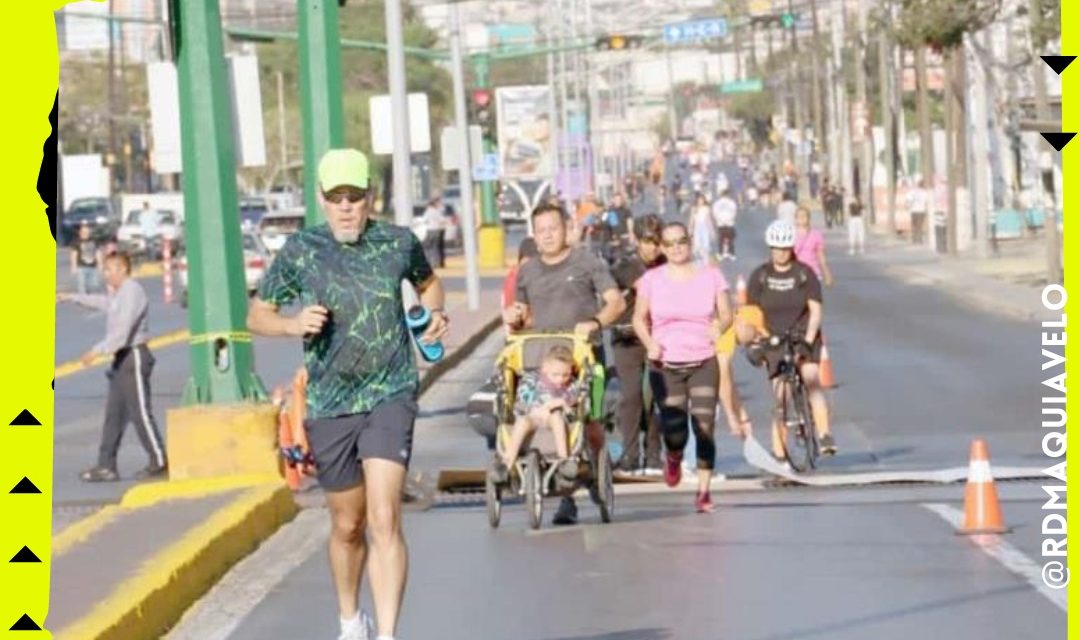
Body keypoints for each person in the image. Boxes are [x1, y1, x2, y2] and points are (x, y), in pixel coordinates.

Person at [247, 148, 447, 640]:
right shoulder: (301, 249)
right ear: (321, 198)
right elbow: (258, 314)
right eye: (335, 198)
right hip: (330, 402)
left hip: (390, 392)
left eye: (354, 197)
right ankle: (350, 619)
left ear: (369, 197)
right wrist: (293, 323)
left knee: (384, 517)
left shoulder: (397, 242)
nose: (345, 207)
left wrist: (433, 313)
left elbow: (431, 285)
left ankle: (387, 634)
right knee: (347, 525)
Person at [503, 202, 626, 525]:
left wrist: (595, 323)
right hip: (543, 360)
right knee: (534, 418)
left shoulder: (586, 262)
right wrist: (513, 316)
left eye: (552, 229)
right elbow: (521, 312)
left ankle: (600, 477)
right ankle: (563, 494)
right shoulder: (527, 271)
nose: (546, 235)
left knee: (590, 424)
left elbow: (617, 302)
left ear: (567, 228)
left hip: (584, 356)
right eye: (540, 230)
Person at [633, 222, 733, 513]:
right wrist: (649, 342)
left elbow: (727, 312)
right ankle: (673, 456)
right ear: (662, 248)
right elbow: (639, 318)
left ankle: (703, 492)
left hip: (703, 360)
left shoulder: (711, 275)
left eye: (681, 241)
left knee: (705, 427)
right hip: (666, 363)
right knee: (675, 431)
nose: (676, 247)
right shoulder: (652, 279)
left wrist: (720, 325)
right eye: (670, 243)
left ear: (690, 243)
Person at [57, 252, 168, 483]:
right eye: (104, 269)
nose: (105, 274)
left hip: (134, 356)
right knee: (114, 415)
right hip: (122, 359)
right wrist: (72, 297)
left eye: (109, 270)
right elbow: (105, 303)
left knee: (140, 413)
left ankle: (159, 460)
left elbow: (122, 331)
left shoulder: (132, 291)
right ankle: (106, 466)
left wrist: (97, 350)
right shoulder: (120, 294)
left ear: (122, 269)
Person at [737, 221, 836, 460]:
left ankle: (824, 435)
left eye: (784, 248)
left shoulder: (804, 274)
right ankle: (779, 453)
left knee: (811, 378)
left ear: (791, 248)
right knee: (781, 395)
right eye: (775, 248)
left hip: (803, 332)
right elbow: (750, 314)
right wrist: (754, 342)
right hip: (774, 337)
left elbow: (815, 311)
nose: (780, 253)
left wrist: (809, 339)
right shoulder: (760, 276)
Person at [609, 215, 666, 475]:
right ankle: (630, 455)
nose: (652, 248)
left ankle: (654, 455)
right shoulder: (626, 265)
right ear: (637, 241)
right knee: (631, 396)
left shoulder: (668, 265)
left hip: (658, 339)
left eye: (657, 242)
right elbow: (646, 288)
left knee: (655, 396)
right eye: (647, 242)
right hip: (628, 338)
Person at [488, 345, 582, 484]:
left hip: (554, 418)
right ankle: (507, 463)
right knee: (522, 422)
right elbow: (522, 398)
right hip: (532, 414)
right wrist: (538, 409)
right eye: (555, 375)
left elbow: (572, 406)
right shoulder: (531, 379)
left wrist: (562, 403)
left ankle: (564, 460)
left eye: (566, 375)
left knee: (556, 417)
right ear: (545, 369)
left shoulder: (572, 385)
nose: (561, 379)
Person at [793, 206, 834, 286]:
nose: (801, 218)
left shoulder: (816, 234)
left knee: (812, 297)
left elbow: (821, 255)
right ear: (795, 219)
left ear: (808, 218)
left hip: (813, 272)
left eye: (804, 216)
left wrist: (827, 273)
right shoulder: (790, 234)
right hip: (795, 273)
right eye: (798, 216)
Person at [71, 222, 104, 294]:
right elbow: (74, 254)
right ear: (80, 232)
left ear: (90, 232)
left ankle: (93, 299)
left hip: (93, 267)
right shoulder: (77, 242)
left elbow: (98, 253)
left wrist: (100, 264)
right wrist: (74, 266)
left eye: (87, 232)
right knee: (82, 285)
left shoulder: (94, 241)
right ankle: (83, 298)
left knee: (94, 285)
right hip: (81, 267)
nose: (85, 234)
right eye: (83, 232)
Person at [689, 192, 717, 266]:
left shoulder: (706, 208)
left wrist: (712, 231)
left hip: (704, 226)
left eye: (702, 200)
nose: (701, 201)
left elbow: (708, 220)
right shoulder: (694, 208)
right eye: (699, 200)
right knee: (697, 244)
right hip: (697, 227)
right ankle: (698, 261)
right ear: (697, 200)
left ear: (704, 200)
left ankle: (705, 261)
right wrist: (690, 230)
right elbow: (692, 220)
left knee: (705, 243)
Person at [712, 188, 738, 261]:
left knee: (725, 238)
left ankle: (727, 253)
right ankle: (725, 253)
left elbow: (715, 212)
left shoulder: (729, 202)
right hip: (726, 223)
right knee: (726, 239)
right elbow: (734, 211)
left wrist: (719, 220)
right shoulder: (729, 202)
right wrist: (727, 220)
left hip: (725, 223)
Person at [420, 195, 446, 268]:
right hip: (437, 230)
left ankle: (428, 262)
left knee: (427, 247)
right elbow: (442, 220)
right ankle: (435, 263)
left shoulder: (428, 211)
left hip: (430, 230)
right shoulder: (436, 211)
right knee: (435, 247)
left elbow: (424, 220)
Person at [907, 179, 930, 245]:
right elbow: (926, 202)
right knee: (920, 226)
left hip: (913, 210)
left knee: (914, 225)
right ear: (923, 185)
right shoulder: (925, 192)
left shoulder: (912, 192)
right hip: (921, 210)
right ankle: (919, 240)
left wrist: (908, 207)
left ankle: (914, 239)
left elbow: (909, 200)